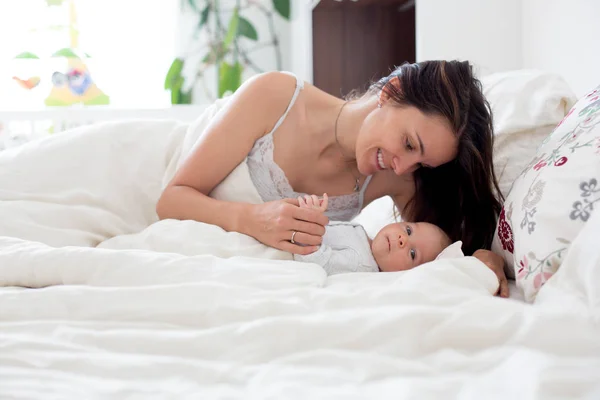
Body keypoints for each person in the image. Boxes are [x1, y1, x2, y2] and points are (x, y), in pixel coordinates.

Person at [156, 60, 509, 297]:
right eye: (408, 144)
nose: (403, 167)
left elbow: (441, 252)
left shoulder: (397, 179)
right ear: (391, 92)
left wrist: (487, 260)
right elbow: (170, 199)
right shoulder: (275, 96)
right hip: (157, 178)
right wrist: (253, 220)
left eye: (422, 164)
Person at [293, 194, 453, 275]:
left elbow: (316, 262)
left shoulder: (361, 264)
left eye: (412, 254)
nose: (402, 239)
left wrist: (310, 222)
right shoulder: (363, 237)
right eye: (408, 231)